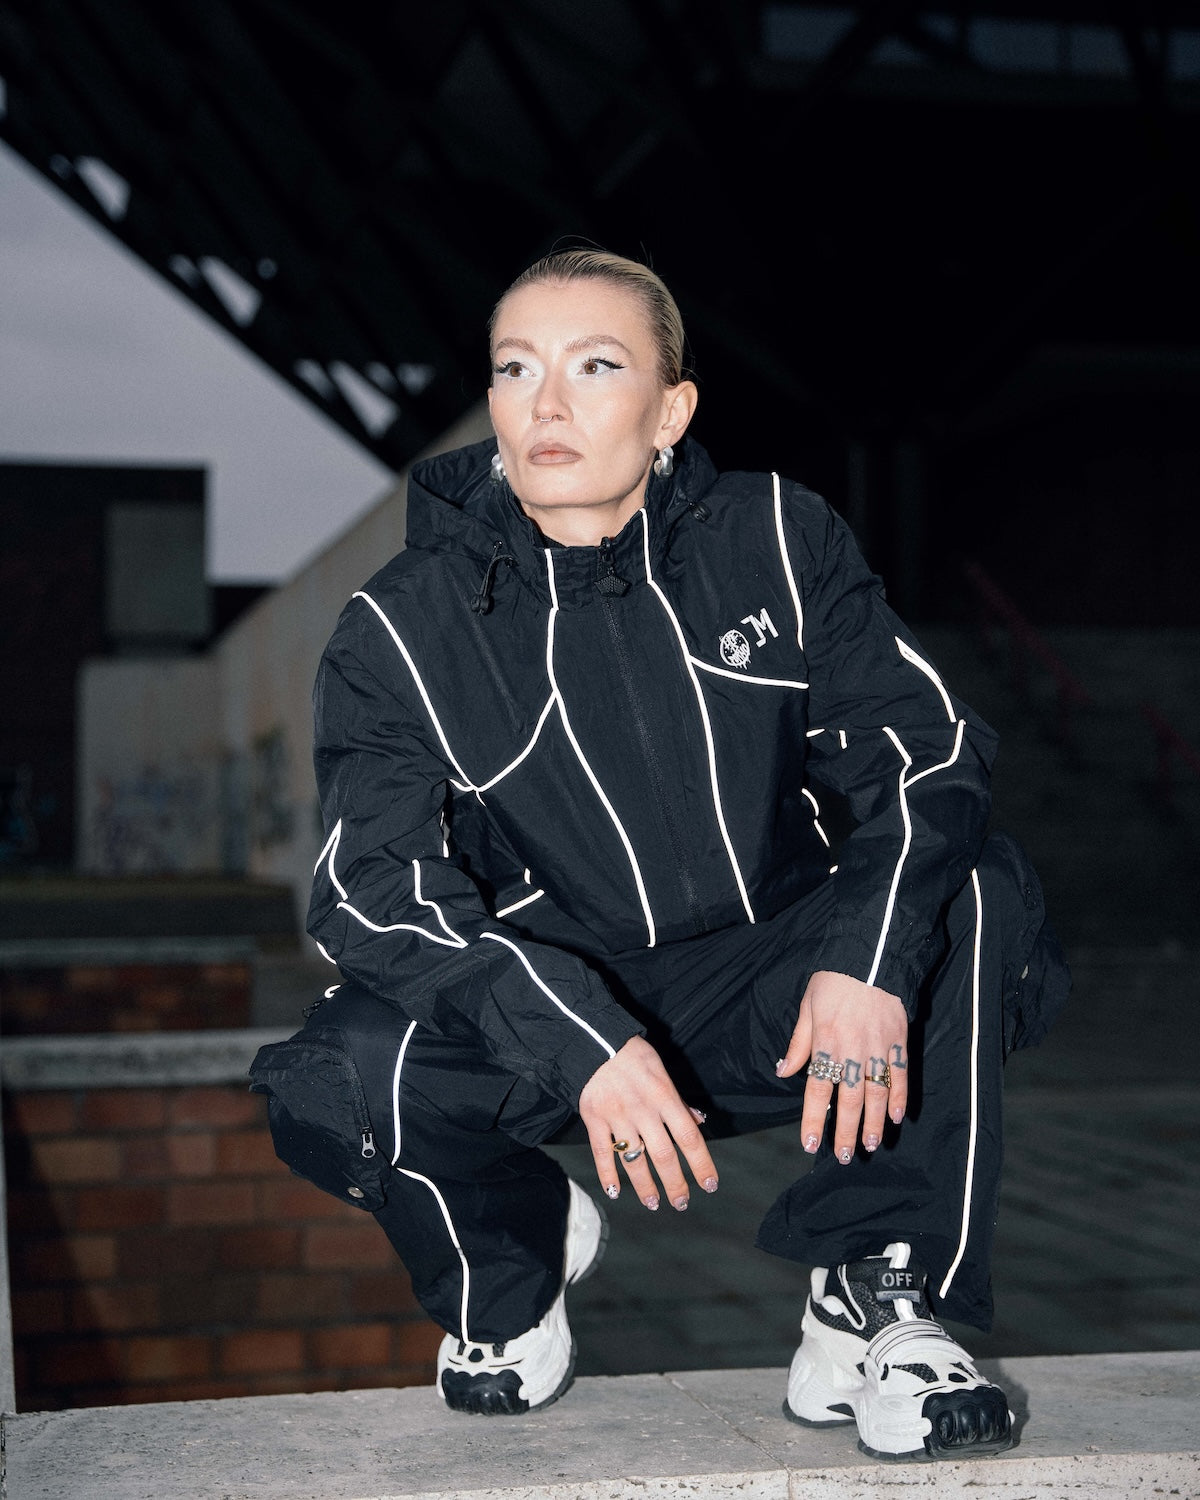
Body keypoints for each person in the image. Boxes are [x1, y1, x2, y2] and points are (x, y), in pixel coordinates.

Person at [290, 249, 1068, 1462]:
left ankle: (874, 1295)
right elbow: (370, 888)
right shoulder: (400, 624)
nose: (547, 403)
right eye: (515, 369)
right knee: (340, 1073)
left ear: (670, 411)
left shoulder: (777, 536)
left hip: (783, 995)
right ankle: (513, 1260)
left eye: (596, 366)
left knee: (965, 888)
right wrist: (580, 1041)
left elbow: (924, 757)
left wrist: (867, 958)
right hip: (561, 1009)